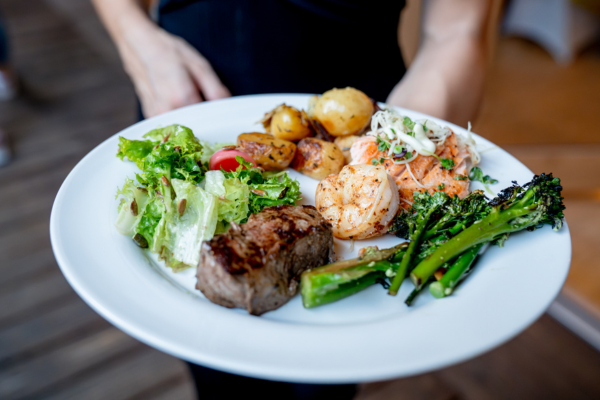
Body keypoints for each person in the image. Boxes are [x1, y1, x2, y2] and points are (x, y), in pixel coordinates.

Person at [91, 0, 494, 398]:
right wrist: (137, 39)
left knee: (322, 386)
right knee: (216, 372)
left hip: (369, 115)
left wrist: (404, 148)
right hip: (182, 94)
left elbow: (456, 31)